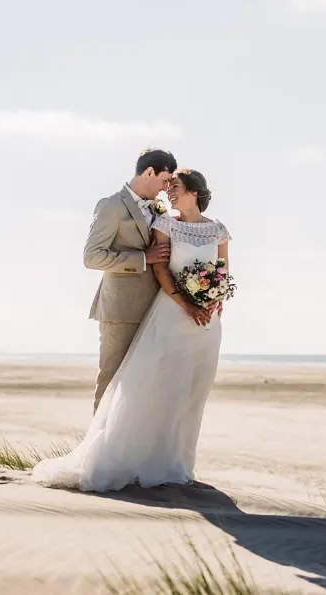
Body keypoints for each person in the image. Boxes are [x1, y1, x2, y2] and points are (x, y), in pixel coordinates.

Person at [33, 169, 231, 491]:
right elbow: (160, 269)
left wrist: (215, 299)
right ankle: (142, 462)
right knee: (159, 389)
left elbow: (222, 271)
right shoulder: (165, 224)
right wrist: (186, 303)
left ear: (194, 192)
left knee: (191, 395)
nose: (169, 192)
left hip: (206, 324)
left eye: (176, 187)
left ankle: (179, 466)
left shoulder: (218, 230)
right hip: (172, 314)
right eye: (168, 185)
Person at [82, 148, 177, 412]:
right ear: (149, 172)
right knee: (111, 380)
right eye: (164, 180)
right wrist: (143, 258)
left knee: (146, 385)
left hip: (155, 310)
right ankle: (100, 438)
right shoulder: (111, 206)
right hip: (120, 310)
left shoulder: (159, 210)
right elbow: (92, 257)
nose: (166, 188)